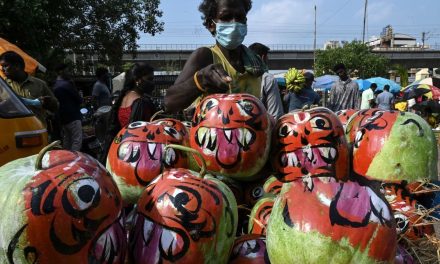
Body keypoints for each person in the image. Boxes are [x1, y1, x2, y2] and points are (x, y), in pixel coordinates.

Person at [164, 0, 267, 114]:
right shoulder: (204, 56)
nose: (234, 23)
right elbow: (169, 103)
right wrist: (200, 80)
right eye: (226, 17)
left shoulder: (256, 64)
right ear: (211, 25)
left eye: (240, 17)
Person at [101, 62, 157, 164]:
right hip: (137, 156)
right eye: (150, 79)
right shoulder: (141, 102)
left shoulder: (122, 98)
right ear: (137, 80)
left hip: (120, 149)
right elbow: (145, 133)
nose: (153, 83)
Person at [0, 51, 58, 126]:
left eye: (5, 66)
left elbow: (56, 106)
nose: (2, 69)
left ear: (17, 66)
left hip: (36, 131)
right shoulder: (2, 86)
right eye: (2, 66)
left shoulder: (40, 84)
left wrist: (49, 103)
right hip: (12, 131)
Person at [248, 42, 284, 119]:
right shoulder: (267, 79)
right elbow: (275, 115)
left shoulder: (236, 77)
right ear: (263, 57)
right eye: (267, 58)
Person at [53, 63, 83, 151]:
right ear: (61, 72)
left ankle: (66, 159)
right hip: (73, 117)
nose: (69, 73)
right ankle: (74, 160)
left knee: (67, 141)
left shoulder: (55, 85)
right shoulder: (67, 84)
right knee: (76, 141)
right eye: (67, 71)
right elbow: (79, 100)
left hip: (63, 119)